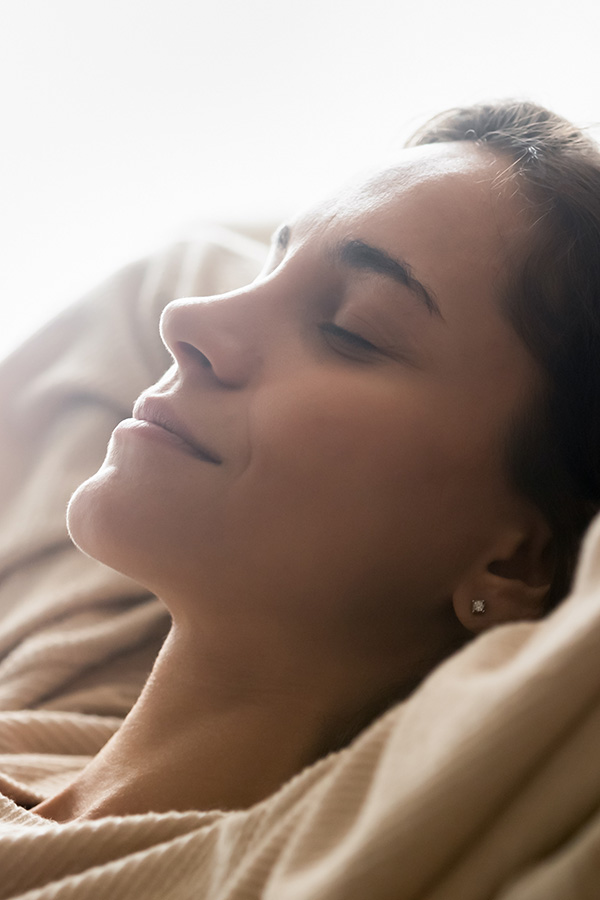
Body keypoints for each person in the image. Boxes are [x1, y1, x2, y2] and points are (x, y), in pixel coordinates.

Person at [1, 100, 600, 900]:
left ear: (520, 557)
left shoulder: (353, 859)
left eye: (352, 329)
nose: (190, 323)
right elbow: (172, 273)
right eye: (267, 271)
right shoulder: (65, 672)